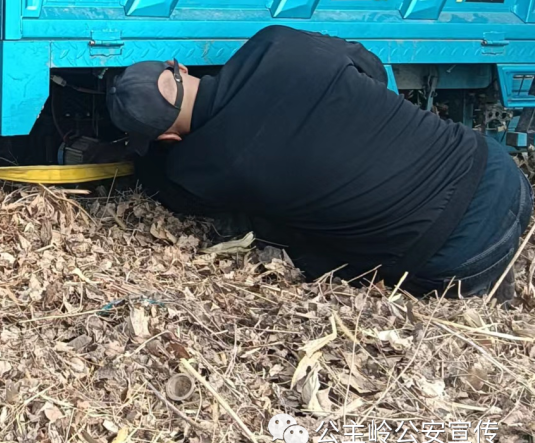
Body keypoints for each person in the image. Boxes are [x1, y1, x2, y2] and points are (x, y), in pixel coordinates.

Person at [107, 25, 532, 302]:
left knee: (292, 241)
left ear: (166, 138)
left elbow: (176, 191)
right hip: (499, 173)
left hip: (458, 254)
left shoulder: (205, 170)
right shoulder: (276, 46)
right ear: (179, 67)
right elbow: (371, 69)